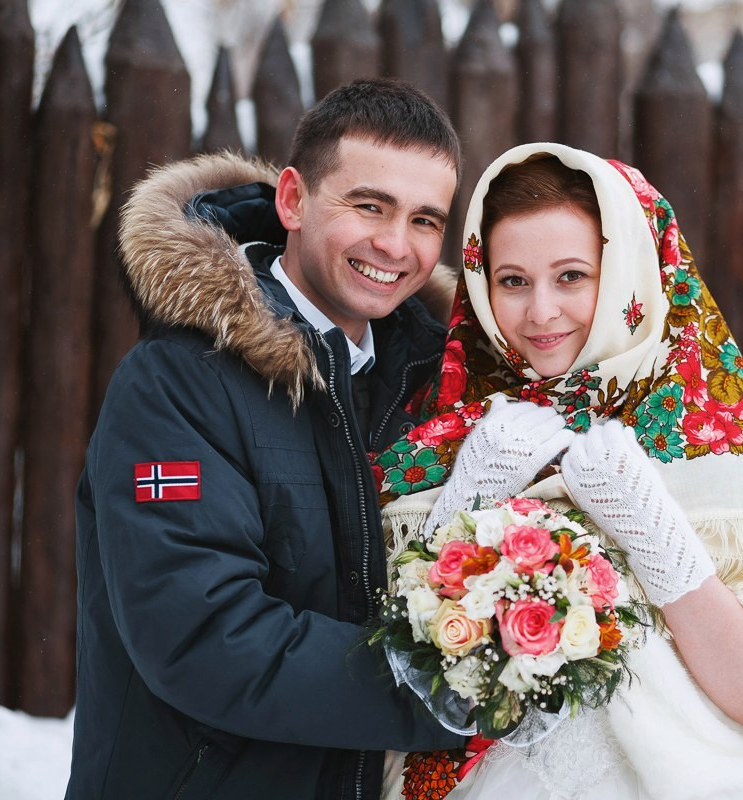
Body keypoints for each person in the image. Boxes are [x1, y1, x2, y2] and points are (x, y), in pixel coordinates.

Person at [373, 143, 743, 799]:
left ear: (630, 270)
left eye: (571, 276)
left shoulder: (712, 436)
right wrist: (466, 505)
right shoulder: (441, 430)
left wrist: (653, 531)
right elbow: (384, 673)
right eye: (512, 281)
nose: (541, 311)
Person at [67, 79, 470, 800]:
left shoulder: (432, 387)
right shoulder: (175, 382)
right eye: (369, 206)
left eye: (424, 220)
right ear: (292, 200)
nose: (394, 244)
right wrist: (457, 685)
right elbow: (203, 636)